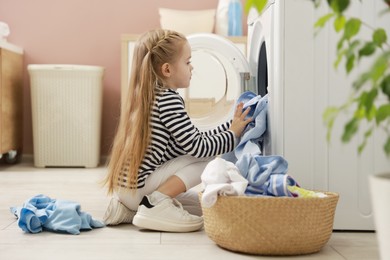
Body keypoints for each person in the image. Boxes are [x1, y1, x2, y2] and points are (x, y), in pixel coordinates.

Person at [102, 28, 251, 232]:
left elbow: (192, 139)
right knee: (209, 160)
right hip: (141, 188)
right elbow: (198, 148)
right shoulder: (168, 99)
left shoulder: (146, 97)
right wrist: (233, 134)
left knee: (202, 206)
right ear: (167, 70)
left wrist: (232, 125)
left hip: (125, 191)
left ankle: (133, 208)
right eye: (187, 61)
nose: (192, 67)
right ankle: (155, 203)